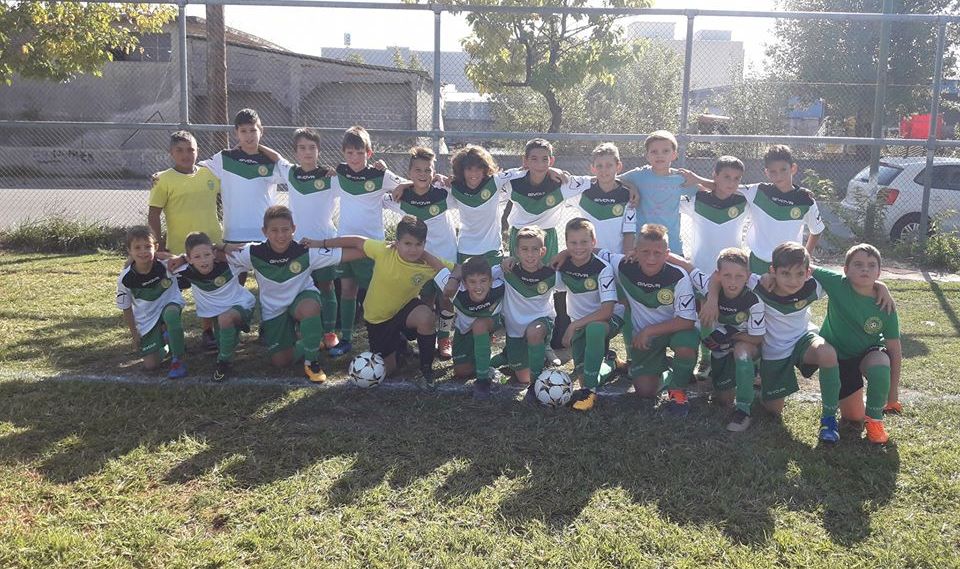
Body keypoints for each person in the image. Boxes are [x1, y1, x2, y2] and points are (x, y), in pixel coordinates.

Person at [306, 215, 452, 386]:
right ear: (396, 242)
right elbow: (355, 241)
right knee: (386, 371)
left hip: (405, 310)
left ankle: (426, 369)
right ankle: (400, 349)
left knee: (426, 317)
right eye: (407, 244)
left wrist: (448, 275)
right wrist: (320, 243)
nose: (413, 249)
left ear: (425, 244)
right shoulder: (384, 250)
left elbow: (458, 270)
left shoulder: (428, 263)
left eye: (418, 244)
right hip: (378, 320)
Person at [223, 205, 359, 382]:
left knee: (310, 307)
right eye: (274, 230)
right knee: (281, 361)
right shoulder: (252, 252)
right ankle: (310, 342)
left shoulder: (306, 251)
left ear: (294, 229)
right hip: (273, 309)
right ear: (264, 231)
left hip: (301, 299)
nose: (280, 235)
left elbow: (351, 252)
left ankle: (311, 362)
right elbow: (210, 255)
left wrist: (376, 248)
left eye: (285, 229)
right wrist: (220, 246)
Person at [606, 224, 699, 417]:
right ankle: (669, 369)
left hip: (671, 332)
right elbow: (594, 250)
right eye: (645, 252)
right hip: (646, 340)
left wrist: (649, 331)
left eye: (657, 253)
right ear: (635, 251)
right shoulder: (623, 265)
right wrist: (563, 254)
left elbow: (687, 321)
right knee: (645, 392)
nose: (651, 258)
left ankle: (677, 392)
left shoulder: (678, 276)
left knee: (686, 342)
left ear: (667, 254)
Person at [328, 125, 405, 359]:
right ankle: (347, 339)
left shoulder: (379, 175)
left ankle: (390, 339)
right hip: (344, 243)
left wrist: (392, 174)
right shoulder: (340, 171)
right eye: (350, 153)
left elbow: (408, 184)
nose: (354, 158)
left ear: (369, 153)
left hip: (371, 247)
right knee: (347, 290)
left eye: (360, 153)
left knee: (375, 296)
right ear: (343, 153)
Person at [672, 248, 765, 431]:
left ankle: (744, 409)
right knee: (724, 401)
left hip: (747, 344)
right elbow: (687, 266)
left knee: (742, 354)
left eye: (739, 276)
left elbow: (757, 337)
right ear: (718, 275)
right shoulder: (708, 284)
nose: (733, 282)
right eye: (727, 275)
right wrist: (661, 253)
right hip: (721, 348)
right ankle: (720, 371)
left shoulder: (754, 300)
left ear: (748, 276)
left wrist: (731, 336)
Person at [817, 243, 902, 444]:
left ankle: (875, 422)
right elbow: (802, 264)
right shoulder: (837, 283)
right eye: (858, 264)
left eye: (872, 265)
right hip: (839, 359)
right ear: (846, 270)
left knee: (880, 364)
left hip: (868, 353)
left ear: (879, 272)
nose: (865, 269)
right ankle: (852, 408)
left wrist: (893, 393)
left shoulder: (885, 304)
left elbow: (894, 349)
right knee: (854, 418)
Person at [147, 130, 223, 351]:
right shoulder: (163, 179)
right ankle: (166, 330)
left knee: (209, 290)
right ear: (171, 153)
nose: (186, 154)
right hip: (178, 249)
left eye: (190, 149)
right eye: (179, 150)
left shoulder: (210, 175)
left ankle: (208, 331)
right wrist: (158, 244)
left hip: (210, 247)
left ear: (198, 151)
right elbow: (153, 214)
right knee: (172, 292)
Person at [267, 128, 341, 351]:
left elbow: (356, 180)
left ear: (319, 150)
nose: (307, 152)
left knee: (327, 286)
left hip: (324, 242)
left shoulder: (330, 177)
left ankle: (329, 332)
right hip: (297, 245)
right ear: (295, 152)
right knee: (299, 288)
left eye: (312, 147)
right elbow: (276, 157)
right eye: (302, 148)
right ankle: (304, 328)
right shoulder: (290, 172)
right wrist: (252, 145)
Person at [384, 146, 458, 360]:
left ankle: (444, 338)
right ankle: (428, 337)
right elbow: (374, 197)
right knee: (425, 298)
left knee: (446, 299)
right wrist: (403, 185)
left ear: (433, 172)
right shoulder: (402, 196)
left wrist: (450, 180)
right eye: (418, 170)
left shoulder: (443, 194)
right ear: (410, 173)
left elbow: (467, 192)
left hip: (445, 257)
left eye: (428, 170)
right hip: (419, 260)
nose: (423, 174)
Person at [552, 218, 623, 412]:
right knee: (586, 374)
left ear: (594, 242)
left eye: (584, 242)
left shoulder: (603, 268)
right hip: (579, 322)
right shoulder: (562, 266)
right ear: (566, 244)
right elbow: (549, 286)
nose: (578, 247)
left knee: (594, 329)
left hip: (607, 320)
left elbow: (607, 311)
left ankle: (589, 393)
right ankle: (610, 362)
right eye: (573, 243)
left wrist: (572, 326)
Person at [173, 232, 257, 383]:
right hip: (220, 314)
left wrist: (222, 246)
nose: (203, 260)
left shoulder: (228, 262)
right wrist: (180, 258)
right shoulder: (185, 270)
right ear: (189, 259)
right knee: (224, 342)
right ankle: (234, 330)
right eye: (197, 257)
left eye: (207, 255)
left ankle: (223, 363)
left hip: (242, 304)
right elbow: (156, 260)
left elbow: (255, 252)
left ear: (213, 253)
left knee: (225, 320)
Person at [741, 145, 825, 275]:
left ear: (793, 168)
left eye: (783, 170)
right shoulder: (757, 191)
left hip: (789, 266)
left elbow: (817, 230)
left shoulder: (805, 199)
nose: (778, 175)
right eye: (773, 171)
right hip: (757, 263)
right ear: (766, 172)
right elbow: (725, 187)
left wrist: (806, 256)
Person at [200, 108, 278, 246]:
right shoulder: (225, 158)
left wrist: (264, 149)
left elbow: (292, 172)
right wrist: (163, 175)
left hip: (263, 235)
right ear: (236, 133)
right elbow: (194, 170)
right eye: (243, 131)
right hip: (233, 236)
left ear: (261, 131)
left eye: (253, 130)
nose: (249, 136)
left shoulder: (271, 161)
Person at [116, 226, 186, 378]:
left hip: (170, 306)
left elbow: (193, 260)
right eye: (137, 248)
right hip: (147, 318)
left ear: (156, 247)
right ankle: (166, 341)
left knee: (171, 315)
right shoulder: (125, 278)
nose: (143, 251)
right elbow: (126, 308)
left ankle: (178, 360)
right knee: (151, 365)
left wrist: (175, 257)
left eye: (148, 246)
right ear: (129, 251)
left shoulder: (166, 264)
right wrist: (134, 334)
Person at [435, 256, 506, 399]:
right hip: (465, 330)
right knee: (461, 371)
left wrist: (510, 260)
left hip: (491, 323)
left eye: (483, 281)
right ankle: (486, 362)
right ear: (464, 283)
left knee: (479, 325)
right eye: (472, 282)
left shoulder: (500, 285)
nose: (478, 287)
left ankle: (482, 380)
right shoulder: (456, 289)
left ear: (491, 280)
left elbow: (520, 264)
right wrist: (423, 254)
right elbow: (437, 264)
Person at [619, 130, 699, 254]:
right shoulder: (638, 175)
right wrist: (631, 186)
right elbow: (612, 179)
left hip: (672, 246)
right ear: (647, 156)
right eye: (654, 151)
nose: (659, 155)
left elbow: (710, 189)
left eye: (665, 151)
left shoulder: (680, 178)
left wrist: (698, 179)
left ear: (674, 155)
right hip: (643, 247)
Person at [499, 226, 557, 393]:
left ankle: (536, 386)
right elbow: (478, 275)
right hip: (515, 331)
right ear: (517, 251)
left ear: (543, 251)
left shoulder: (552, 274)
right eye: (524, 249)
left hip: (541, 324)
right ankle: (510, 356)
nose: (530, 254)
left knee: (534, 332)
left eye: (535, 249)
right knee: (523, 377)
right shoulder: (507, 271)